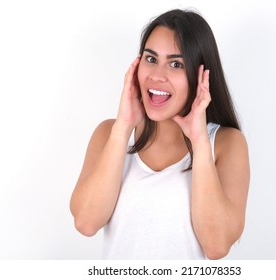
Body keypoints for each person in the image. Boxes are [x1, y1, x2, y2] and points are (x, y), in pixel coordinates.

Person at [70, 9, 250, 260]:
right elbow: (86, 223)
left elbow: (216, 245)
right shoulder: (109, 134)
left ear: (201, 76)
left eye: (176, 64)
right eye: (151, 59)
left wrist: (199, 142)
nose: (157, 75)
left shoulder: (226, 143)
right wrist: (123, 127)